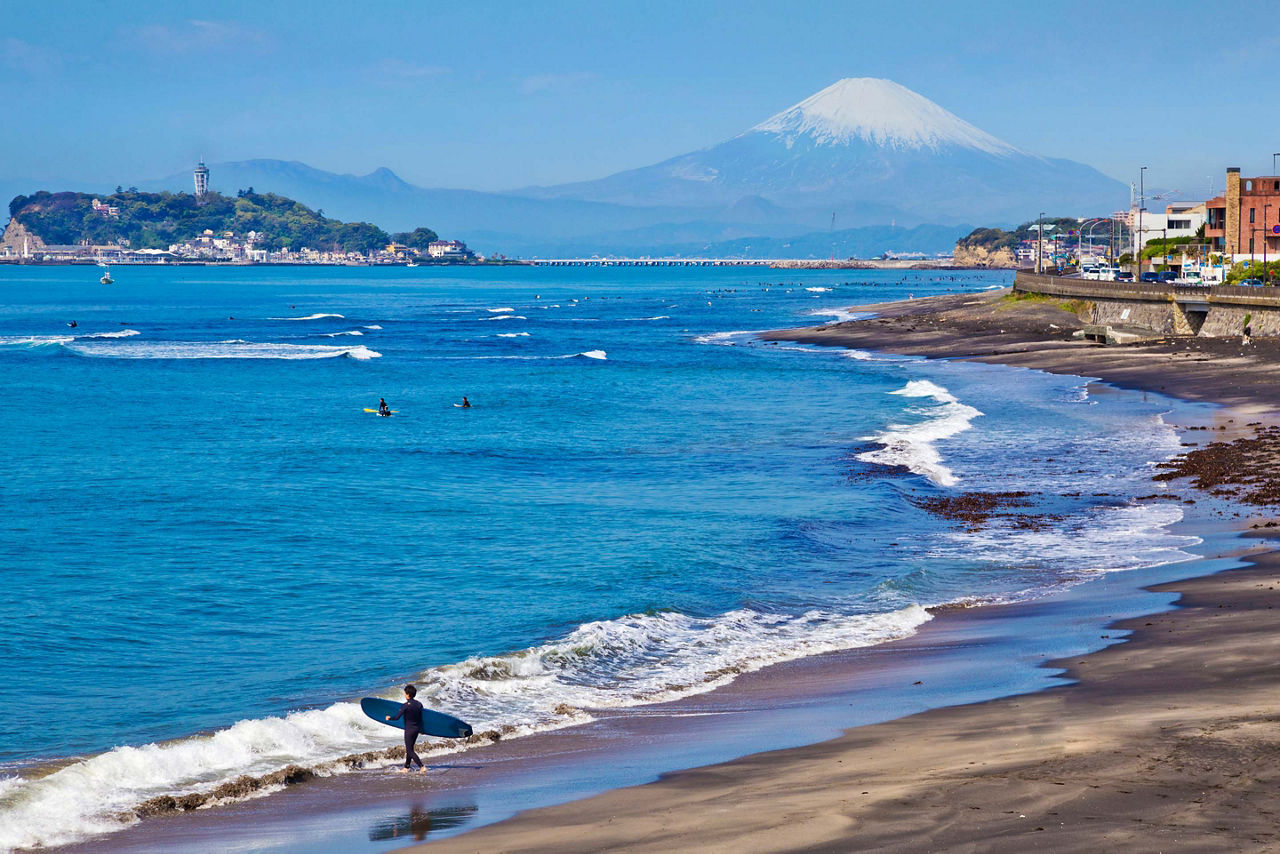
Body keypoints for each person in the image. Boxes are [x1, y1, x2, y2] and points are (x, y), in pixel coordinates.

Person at [386, 683, 425, 772]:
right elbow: (421, 718)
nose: (404, 695)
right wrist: (422, 729)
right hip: (416, 729)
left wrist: (389, 718)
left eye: (405, 693)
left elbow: (397, 717)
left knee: (409, 750)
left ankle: (422, 766)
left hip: (409, 730)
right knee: (410, 748)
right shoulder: (419, 704)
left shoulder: (405, 705)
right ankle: (406, 767)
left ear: (408, 695)